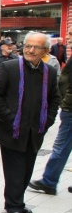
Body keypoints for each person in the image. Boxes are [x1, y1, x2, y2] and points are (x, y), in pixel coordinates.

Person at [0, 32, 60, 213]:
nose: (30, 50)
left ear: (45, 51)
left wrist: (48, 120)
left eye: (36, 47)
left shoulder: (49, 72)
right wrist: (9, 118)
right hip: (11, 130)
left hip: (35, 131)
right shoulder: (9, 67)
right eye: (27, 45)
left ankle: (18, 202)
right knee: (14, 170)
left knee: (27, 169)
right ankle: (13, 206)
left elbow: (55, 98)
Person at [30, 28, 72, 196]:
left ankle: (49, 180)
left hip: (70, 109)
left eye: (70, 34)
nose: (68, 37)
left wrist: (66, 99)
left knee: (61, 146)